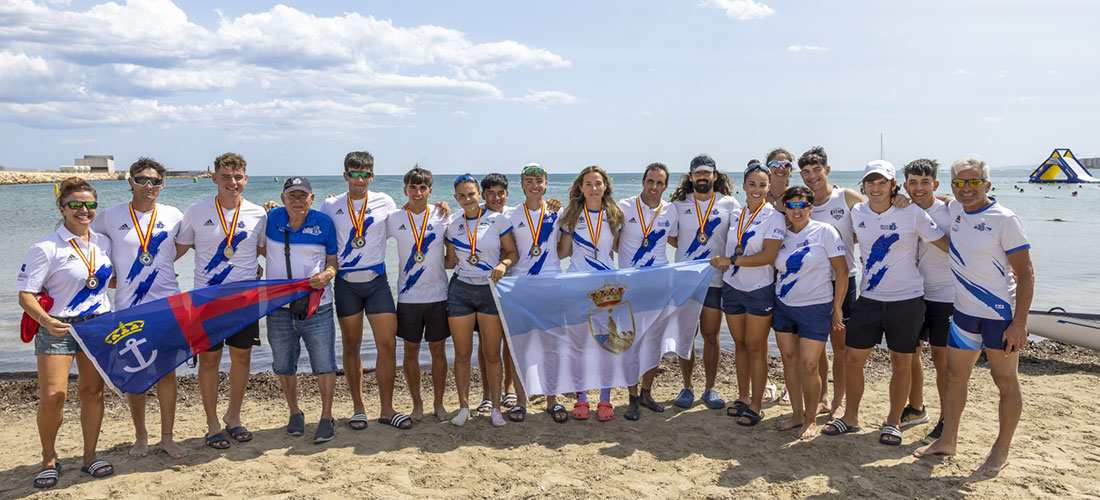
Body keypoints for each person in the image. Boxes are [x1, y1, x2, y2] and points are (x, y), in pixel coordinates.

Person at [914, 155, 1033, 474]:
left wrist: (1020, 323)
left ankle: (1001, 450)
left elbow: (1026, 274)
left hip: (999, 315)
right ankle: (947, 440)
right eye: (960, 183)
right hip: (964, 314)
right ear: (952, 186)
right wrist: (905, 198)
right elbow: (936, 198)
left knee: (1004, 380)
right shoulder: (955, 208)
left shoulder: (1005, 219)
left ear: (988, 184)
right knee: (954, 377)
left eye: (974, 182)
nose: (967, 188)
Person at [823, 160, 949, 445]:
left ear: (893, 185)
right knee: (852, 359)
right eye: (871, 182)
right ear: (864, 186)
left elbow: (946, 245)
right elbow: (840, 232)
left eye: (882, 182)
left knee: (901, 361)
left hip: (907, 299)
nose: (876, 188)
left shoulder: (912, 212)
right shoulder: (858, 212)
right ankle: (850, 417)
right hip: (869, 298)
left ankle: (893, 422)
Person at [18, 178, 114, 488]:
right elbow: (26, 295)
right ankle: (49, 459)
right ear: (62, 208)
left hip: (97, 325)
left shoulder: (103, 243)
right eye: (75, 204)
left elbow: (102, 280)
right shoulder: (45, 247)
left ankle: (90, 457)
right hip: (57, 327)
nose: (83, 210)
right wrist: (46, 321)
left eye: (90, 205)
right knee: (53, 397)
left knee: (93, 392)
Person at [90, 158, 186, 459]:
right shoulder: (110, 216)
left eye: (155, 181)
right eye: (142, 180)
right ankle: (141, 436)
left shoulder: (173, 215)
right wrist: (106, 273)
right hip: (128, 307)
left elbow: (185, 245)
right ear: (130, 182)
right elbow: (85, 241)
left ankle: (167, 438)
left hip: (166, 305)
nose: (149, 186)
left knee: (167, 373)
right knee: (136, 374)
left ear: (162, 185)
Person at [176, 152, 267, 449]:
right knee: (209, 361)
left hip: (244, 299)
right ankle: (212, 423)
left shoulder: (258, 214)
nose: (232, 182)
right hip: (206, 299)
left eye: (238, 177)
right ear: (214, 177)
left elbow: (267, 251)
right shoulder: (196, 211)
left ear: (246, 179)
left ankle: (233, 417)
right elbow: (177, 250)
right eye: (225, 176)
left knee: (241, 359)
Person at [319, 152, 403, 430]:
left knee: (387, 344)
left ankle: (387, 409)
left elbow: (409, 221)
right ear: (345, 175)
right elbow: (310, 225)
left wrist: (439, 207)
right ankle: (358, 408)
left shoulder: (385, 201)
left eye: (365, 174)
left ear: (372, 176)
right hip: (346, 284)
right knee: (351, 345)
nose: (360, 179)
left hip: (377, 282)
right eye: (354, 173)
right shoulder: (330, 205)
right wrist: (274, 209)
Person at [264, 177, 340, 442]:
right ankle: (294, 412)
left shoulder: (324, 223)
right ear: (282, 198)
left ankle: (327, 416)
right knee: (283, 364)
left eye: (302, 195)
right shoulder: (270, 218)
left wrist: (328, 274)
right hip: (278, 307)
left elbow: (333, 261)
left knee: (324, 363)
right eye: (292, 195)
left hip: (317, 305)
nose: (297, 200)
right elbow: (253, 246)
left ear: (312, 198)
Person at [709, 162, 785, 426]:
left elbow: (768, 256)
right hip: (732, 287)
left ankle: (756, 404)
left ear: (769, 187)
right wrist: (725, 263)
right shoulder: (737, 215)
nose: (756, 189)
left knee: (756, 347)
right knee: (740, 345)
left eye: (762, 185)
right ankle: (742, 397)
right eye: (752, 184)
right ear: (743, 186)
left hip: (758, 290)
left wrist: (731, 260)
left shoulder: (774, 216)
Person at [769, 186, 848, 439]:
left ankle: (811, 419)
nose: (796, 211)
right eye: (791, 206)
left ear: (810, 208)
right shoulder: (780, 235)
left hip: (816, 307)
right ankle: (796, 414)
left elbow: (842, 272)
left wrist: (837, 308)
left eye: (802, 205)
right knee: (789, 361)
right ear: (785, 209)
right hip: (784, 306)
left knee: (809, 364)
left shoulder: (825, 231)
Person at [444, 174, 519, 427]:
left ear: (479, 195)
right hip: (460, 291)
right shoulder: (453, 224)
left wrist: (503, 264)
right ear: (456, 198)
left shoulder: (497, 220)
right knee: (462, 354)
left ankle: (496, 408)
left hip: (490, 290)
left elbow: (513, 253)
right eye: (462, 196)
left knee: (492, 354)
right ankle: (464, 407)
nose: (467, 199)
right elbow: (449, 261)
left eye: (471, 194)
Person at [668, 154, 740, 410]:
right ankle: (687, 386)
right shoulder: (678, 205)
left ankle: (710, 388)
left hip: (714, 279)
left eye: (706, 173)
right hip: (685, 280)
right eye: (697, 173)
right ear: (690, 177)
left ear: (714, 176)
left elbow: (740, 234)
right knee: (686, 334)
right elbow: (671, 236)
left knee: (711, 335)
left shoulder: (729, 203)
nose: (702, 177)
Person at [797, 146, 863, 417]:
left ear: (827, 170)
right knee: (817, 343)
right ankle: (823, 395)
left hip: (843, 281)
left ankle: (838, 401)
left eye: (816, 170)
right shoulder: (803, 203)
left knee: (841, 346)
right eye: (806, 172)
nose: (812, 176)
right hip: (813, 283)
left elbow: (878, 212)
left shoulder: (845, 197)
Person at [385, 166, 452, 423]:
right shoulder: (394, 218)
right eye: (412, 187)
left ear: (430, 191)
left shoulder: (442, 215)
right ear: (405, 190)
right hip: (408, 297)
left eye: (423, 188)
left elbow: (472, 221)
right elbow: (364, 232)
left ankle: (439, 403)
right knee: (410, 351)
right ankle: (417, 405)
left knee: (438, 351)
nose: (417, 192)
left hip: (438, 294)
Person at [558, 165, 624, 421]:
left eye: (598, 183)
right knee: (578, 345)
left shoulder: (615, 214)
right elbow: (563, 252)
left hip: (607, 289)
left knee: (607, 344)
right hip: (576, 287)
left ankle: (605, 399)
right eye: (588, 183)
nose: (594, 188)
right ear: (581, 187)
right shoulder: (571, 214)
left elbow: (616, 250)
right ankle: (581, 397)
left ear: (605, 186)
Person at [616, 162, 676, 421]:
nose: (654, 187)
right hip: (630, 287)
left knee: (654, 342)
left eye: (659, 183)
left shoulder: (671, 210)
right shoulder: (624, 207)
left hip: (659, 286)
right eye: (650, 181)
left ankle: (646, 393)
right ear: (643, 181)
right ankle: (631, 397)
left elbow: (675, 239)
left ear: (665, 186)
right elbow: (613, 242)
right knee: (630, 342)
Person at [901, 158, 953, 442]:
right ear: (905, 185)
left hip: (945, 295)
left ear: (935, 184)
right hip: (912, 293)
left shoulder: (950, 209)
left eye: (925, 182)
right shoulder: (903, 209)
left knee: (941, 359)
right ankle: (917, 408)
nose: (918, 188)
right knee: (910, 353)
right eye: (913, 182)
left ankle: (947, 420)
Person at [504, 163, 561, 422]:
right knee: (521, 348)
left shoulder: (558, 213)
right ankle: (521, 401)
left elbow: (568, 246)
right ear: (522, 185)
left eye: (539, 180)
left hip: (550, 286)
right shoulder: (511, 215)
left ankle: (552, 400)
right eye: (529, 181)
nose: (534, 185)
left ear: (546, 184)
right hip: (521, 288)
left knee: (551, 346)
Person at [475, 173, 519, 413]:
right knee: (486, 342)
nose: (496, 197)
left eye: (500, 193)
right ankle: (486, 393)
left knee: (509, 340)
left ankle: (509, 388)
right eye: (490, 193)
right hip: (484, 286)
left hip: (512, 283)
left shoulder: (514, 214)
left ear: (507, 194)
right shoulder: (475, 215)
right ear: (483, 195)